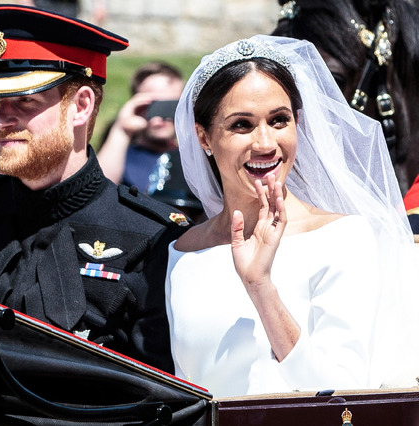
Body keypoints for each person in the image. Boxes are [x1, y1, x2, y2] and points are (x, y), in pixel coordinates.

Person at [0, 4, 191, 373]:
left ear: (81, 106)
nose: (1, 120)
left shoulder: (151, 238)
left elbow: (158, 395)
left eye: (25, 100)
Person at [165, 35, 419, 397]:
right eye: (242, 125)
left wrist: (261, 289)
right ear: (204, 137)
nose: (265, 143)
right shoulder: (183, 251)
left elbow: (345, 395)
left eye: (279, 120)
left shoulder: (344, 238)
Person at [97, 61, 184, 191]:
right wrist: (122, 130)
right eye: (153, 106)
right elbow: (97, 190)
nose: (160, 118)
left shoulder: (192, 158)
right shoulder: (122, 157)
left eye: (170, 106)